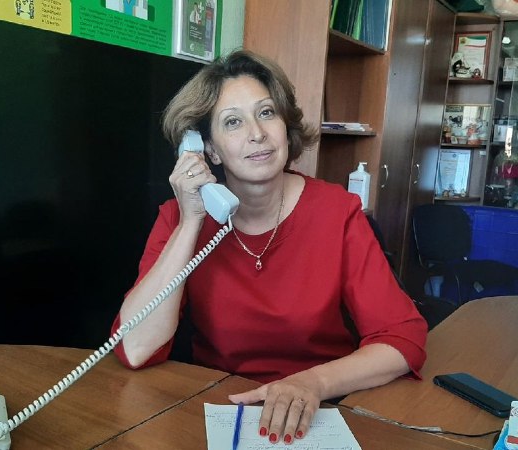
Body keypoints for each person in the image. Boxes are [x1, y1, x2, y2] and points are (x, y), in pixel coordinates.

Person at [111, 50, 427, 445]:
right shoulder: (179, 217)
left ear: (284, 126)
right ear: (207, 149)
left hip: (322, 407)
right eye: (233, 122)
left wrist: (312, 383)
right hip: (224, 408)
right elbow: (136, 349)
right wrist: (192, 221)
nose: (257, 133)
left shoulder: (337, 211)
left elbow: (402, 338)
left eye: (266, 113)